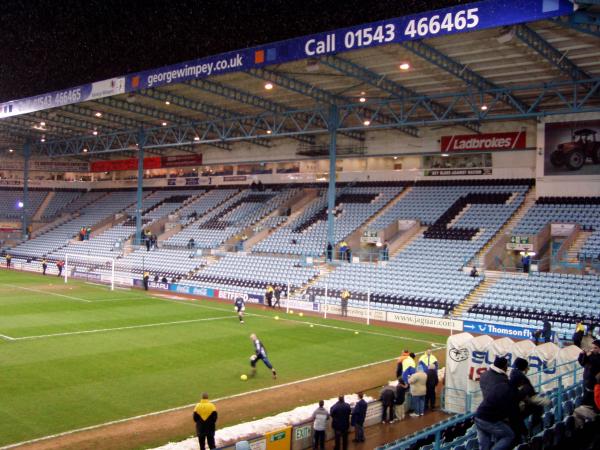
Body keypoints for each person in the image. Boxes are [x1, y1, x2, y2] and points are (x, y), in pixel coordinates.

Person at [475, 357, 525, 450]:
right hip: (489, 417)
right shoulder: (504, 383)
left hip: (479, 413)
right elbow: (513, 414)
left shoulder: (487, 376)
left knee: (484, 446)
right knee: (509, 435)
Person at [509, 357, 549, 433]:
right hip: (516, 407)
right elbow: (527, 393)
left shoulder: (514, 374)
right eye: (527, 367)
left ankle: (529, 433)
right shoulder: (519, 377)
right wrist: (543, 400)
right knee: (537, 407)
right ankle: (532, 432)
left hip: (516, 405)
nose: (529, 369)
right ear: (523, 367)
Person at [578, 339, 600, 407]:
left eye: (595, 348)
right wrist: (582, 354)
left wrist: (589, 355)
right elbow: (582, 363)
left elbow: (596, 363)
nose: (593, 349)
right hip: (586, 382)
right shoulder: (591, 355)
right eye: (592, 347)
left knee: (591, 403)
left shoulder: (595, 357)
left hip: (594, 385)